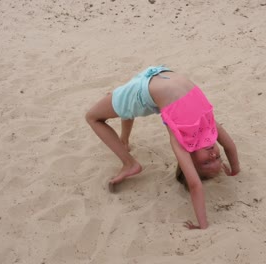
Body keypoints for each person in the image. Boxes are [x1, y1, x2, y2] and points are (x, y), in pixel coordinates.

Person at [85, 66, 240, 229]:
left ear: (189, 160)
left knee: (92, 117)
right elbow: (230, 146)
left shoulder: (180, 139)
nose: (213, 155)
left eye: (207, 163)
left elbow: (195, 185)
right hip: (156, 75)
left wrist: (203, 225)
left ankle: (130, 164)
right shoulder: (208, 127)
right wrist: (235, 170)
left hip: (146, 88)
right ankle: (123, 141)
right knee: (121, 101)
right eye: (218, 157)